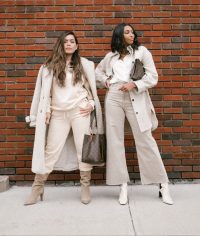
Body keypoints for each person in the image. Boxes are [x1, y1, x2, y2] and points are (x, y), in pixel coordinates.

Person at [95, 23, 174, 205]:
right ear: (119, 36)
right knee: (115, 141)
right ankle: (122, 185)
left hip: (135, 96)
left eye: (132, 32)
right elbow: (97, 73)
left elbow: (152, 77)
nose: (132, 34)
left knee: (145, 139)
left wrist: (134, 84)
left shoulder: (142, 52)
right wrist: (107, 82)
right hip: (114, 96)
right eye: (127, 32)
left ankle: (163, 184)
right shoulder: (111, 57)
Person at [24, 31, 104, 206]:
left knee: (83, 150)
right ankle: (37, 188)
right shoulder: (48, 67)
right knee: (50, 151)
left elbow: (91, 89)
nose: (69, 44)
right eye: (65, 41)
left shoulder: (85, 65)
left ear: (76, 45)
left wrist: (91, 103)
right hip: (58, 114)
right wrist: (43, 109)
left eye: (72, 41)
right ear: (61, 45)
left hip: (79, 111)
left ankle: (85, 187)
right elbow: (42, 93)